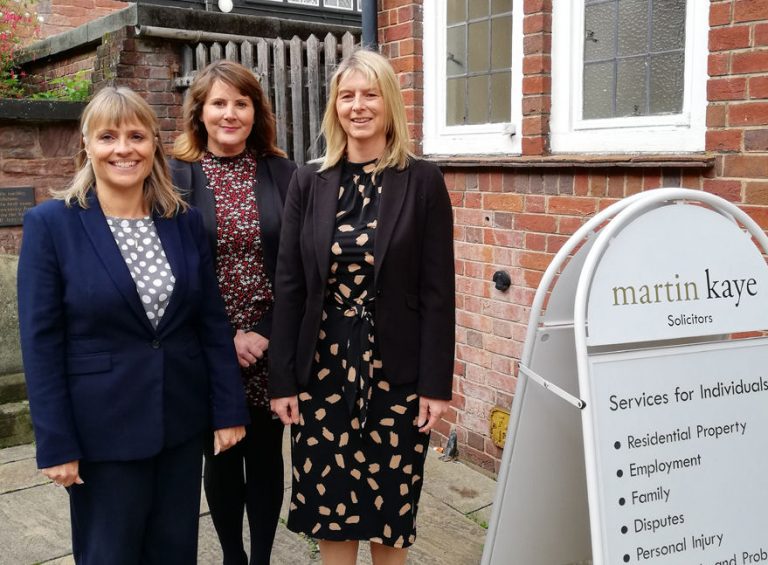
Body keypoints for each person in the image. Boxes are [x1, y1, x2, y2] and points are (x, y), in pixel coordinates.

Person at [16, 86, 248, 565]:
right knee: (110, 554)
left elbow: (210, 322)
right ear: (87, 146)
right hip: (102, 432)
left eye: (136, 136)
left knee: (174, 552)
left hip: (179, 425)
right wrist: (55, 442)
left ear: (153, 145)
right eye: (108, 137)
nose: (124, 149)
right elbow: (41, 344)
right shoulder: (50, 225)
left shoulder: (182, 221)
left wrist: (228, 409)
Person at [269, 50, 455, 565]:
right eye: (347, 95)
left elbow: (439, 292)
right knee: (331, 507)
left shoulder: (422, 182)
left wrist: (436, 386)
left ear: (389, 102)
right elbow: (290, 289)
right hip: (322, 372)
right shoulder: (309, 182)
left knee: (390, 513)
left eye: (370, 94)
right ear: (335, 107)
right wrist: (283, 381)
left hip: (395, 374)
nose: (358, 106)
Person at [169, 59, 297, 565]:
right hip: (208, 346)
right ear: (199, 112)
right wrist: (227, 337)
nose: (230, 113)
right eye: (218, 103)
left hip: (270, 344)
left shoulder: (285, 173)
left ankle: (261, 558)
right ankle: (232, 558)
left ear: (254, 111)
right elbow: (173, 270)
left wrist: (262, 331)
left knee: (267, 459)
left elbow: (301, 264)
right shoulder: (175, 176)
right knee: (221, 457)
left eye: (240, 103)